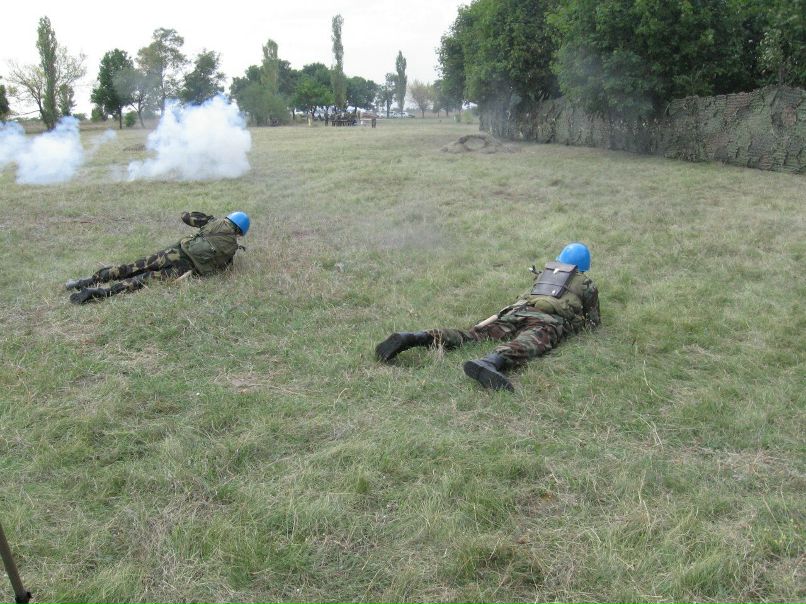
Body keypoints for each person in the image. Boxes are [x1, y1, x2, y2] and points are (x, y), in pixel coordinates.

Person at [375, 243, 600, 391]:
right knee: (527, 342)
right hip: (546, 320)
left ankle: (415, 337)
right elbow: (593, 322)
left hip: (516, 311)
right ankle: (491, 362)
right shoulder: (586, 284)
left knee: (473, 335)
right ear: (584, 265)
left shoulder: (546, 273)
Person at [65, 211, 250, 304]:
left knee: (132, 268)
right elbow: (220, 268)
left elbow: (185, 217)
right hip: (185, 270)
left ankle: (85, 281)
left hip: (174, 253)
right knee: (141, 281)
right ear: (240, 232)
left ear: (229, 218)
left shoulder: (214, 222)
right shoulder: (232, 249)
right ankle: (100, 293)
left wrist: (207, 219)